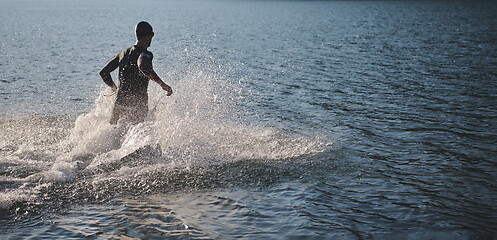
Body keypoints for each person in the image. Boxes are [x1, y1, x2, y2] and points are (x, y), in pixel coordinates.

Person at [99, 21, 173, 125]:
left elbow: (104, 73)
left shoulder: (123, 53)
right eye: (152, 35)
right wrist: (162, 84)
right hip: (137, 105)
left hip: (119, 104)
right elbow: (143, 66)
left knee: (113, 134)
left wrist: (114, 88)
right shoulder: (145, 54)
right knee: (136, 135)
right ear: (147, 36)